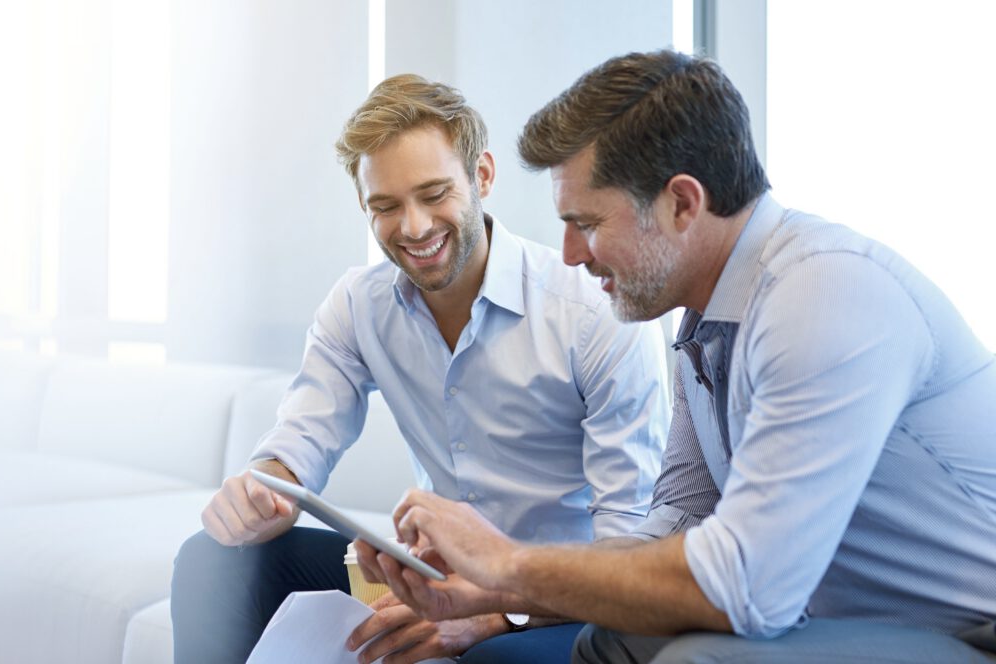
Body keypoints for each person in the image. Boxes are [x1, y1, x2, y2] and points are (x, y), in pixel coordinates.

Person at [356, 51, 996, 663]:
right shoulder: (708, 327)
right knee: (612, 640)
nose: (571, 254)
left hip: (969, 633)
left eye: (587, 223)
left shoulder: (823, 296)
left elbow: (744, 585)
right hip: (839, 624)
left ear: (683, 202)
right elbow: (673, 528)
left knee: (701, 658)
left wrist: (507, 564)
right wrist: (489, 591)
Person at [170, 74, 670, 664]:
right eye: (385, 206)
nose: (413, 227)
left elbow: (628, 548)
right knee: (213, 561)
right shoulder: (359, 305)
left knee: (492, 660)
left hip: (564, 597)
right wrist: (261, 492)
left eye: (434, 194)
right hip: (432, 576)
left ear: (482, 176)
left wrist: (492, 610)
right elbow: (299, 442)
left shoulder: (593, 314)